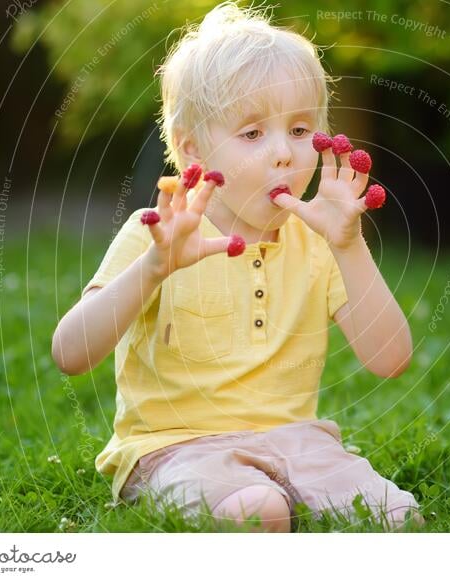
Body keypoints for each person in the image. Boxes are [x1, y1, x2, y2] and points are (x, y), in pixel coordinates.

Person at [52, 1, 423, 533]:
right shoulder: (157, 231)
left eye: (300, 131)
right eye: (252, 134)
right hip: (175, 449)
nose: (284, 154)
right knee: (259, 510)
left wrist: (349, 245)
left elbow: (391, 359)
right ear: (192, 150)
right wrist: (153, 269)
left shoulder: (319, 242)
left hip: (298, 440)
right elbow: (70, 353)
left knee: (399, 515)